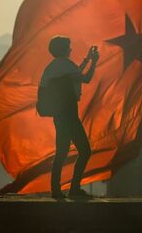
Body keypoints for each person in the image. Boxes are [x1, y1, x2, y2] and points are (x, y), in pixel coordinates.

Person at [39, 36, 99, 199]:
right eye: (69, 47)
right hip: (69, 113)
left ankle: (56, 190)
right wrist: (94, 62)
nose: (71, 49)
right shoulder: (65, 65)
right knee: (85, 151)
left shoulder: (54, 67)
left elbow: (74, 74)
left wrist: (86, 60)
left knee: (62, 152)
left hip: (60, 114)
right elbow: (85, 78)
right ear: (63, 49)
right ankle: (74, 189)